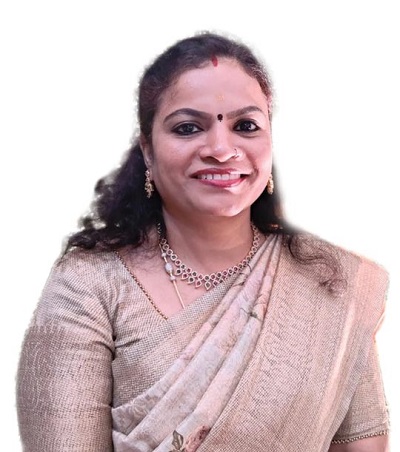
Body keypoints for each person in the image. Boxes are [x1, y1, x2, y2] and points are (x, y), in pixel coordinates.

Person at [16, 32, 390, 451]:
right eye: (188, 128)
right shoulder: (89, 285)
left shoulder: (331, 282)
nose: (221, 149)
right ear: (148, 151)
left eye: (245, 126)